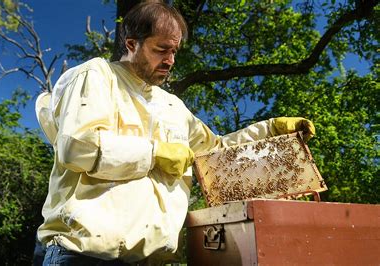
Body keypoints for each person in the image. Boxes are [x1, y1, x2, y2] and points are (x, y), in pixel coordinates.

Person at [35, 2, 316, 265]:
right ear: (132, 44)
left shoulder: (172, 106)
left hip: (150, 260)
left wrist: (272, 130)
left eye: (175, 52)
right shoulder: (95, 76)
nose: (170, 60)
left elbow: (216, 153)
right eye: (161, 49)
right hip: (81, 256)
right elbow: (77, 146)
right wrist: (154, 154)